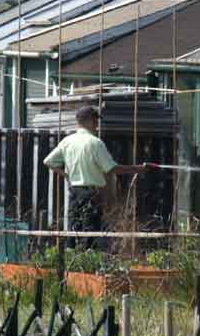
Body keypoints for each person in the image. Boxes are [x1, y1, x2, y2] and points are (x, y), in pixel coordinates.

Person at [43, 106, 145, 248]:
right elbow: (111, 168)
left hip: (74, 191)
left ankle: (70, 262)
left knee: (74, 229)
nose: (97, 124)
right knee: (90, 231)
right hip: (92, 193)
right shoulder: (95, 143)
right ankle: (87, 263)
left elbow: (48, 162)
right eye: (96, 120)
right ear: (90, 121)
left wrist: (66, 175)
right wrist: (136, 169)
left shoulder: (67, 141)